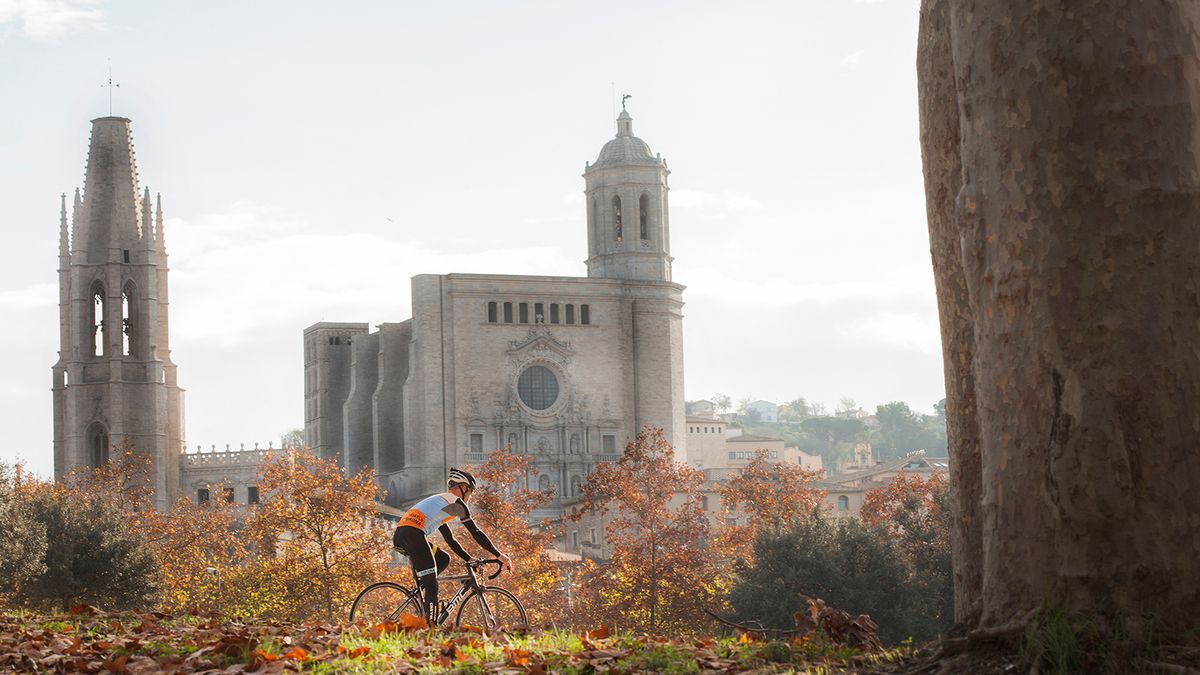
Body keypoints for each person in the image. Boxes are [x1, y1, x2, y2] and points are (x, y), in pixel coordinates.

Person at [393, 467, 513, 624]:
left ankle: (420, 590)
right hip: (413, 535)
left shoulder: (442, 503)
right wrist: (499, 555)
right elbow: (475, 532)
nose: (470, 497)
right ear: (464, 488)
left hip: (405, 535)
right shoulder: (456, 504)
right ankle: (430, 628)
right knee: (432, 586)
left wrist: (468, 558)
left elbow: (450, 539)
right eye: (470, 492)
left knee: (443, 559)